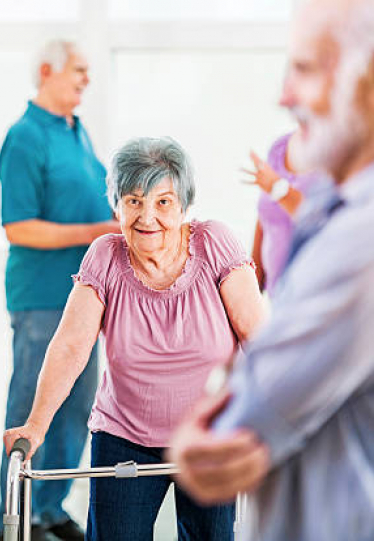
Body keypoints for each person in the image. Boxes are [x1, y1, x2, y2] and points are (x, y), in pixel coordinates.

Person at [168, 1, 374, 540]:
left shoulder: (361, 241)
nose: (284, 95)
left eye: (305, 69)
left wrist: (201, 417)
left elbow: (232, 428)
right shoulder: (331, 200)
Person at [4, 137, 267, 541]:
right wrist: (36, 425)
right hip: (125, 438)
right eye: (133, 201)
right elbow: (72, 346)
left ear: (184, 204)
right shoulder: (105, 256)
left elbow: (258, 336)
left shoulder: (215, 243)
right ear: (117, 206)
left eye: (163, 202)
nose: (147, 217)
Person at [0, 39, 120, 541]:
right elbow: (18, 226)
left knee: (78, 404)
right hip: (42, 295)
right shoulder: (24, 137)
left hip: (85, 296)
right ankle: (16, 514)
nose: (86, 78)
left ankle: (50, 509)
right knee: (34, 404)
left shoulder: (77, 130)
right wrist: (95, 231)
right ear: (46, 70)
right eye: (79, 69)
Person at [243, 133, 318, 291]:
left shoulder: (342, 152)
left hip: (317, 296)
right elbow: (265, 216)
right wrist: (253, 285)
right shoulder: (280, 148)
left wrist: (278, 189)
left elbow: (325, 222)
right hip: (279, 298)